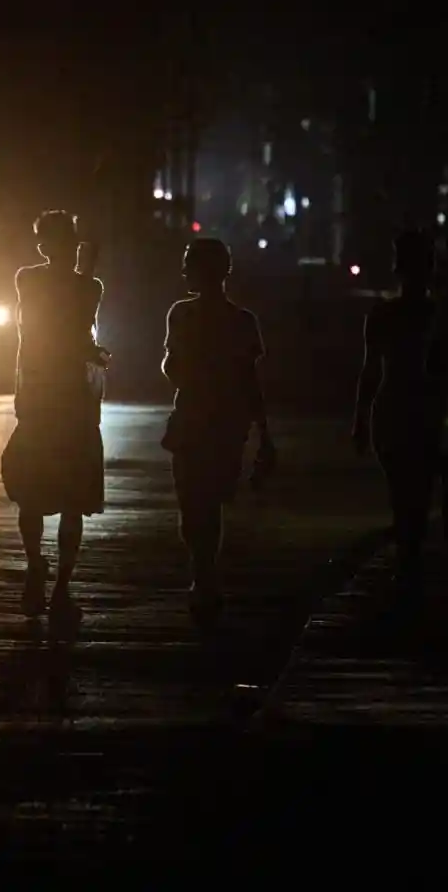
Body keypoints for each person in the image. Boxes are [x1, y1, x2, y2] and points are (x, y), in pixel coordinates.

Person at [1, 210, 106, 623]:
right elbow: (74, 327)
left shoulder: (30, 279)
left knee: (36, 492)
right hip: (66, 400)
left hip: (44, 397)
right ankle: (58, 584)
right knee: (69, 498)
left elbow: (52, 328)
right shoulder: (86, 286)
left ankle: (39, 571)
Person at [161, 237, 273, 619]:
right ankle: (206, 575)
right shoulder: (242, 321)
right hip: (227, 422)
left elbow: (172, 367)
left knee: (193, 501)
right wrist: (263, 431)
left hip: (193, 417)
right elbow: (250, 379)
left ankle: (203, 573)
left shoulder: (181, 314)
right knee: (210, 502)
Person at [352, 229, 448, 589]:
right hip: (427, 410)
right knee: (420, 491)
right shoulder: (439, 314)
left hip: (395, 408)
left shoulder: (384, 314)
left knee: (403, 492)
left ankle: (409, 563)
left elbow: (371, 370)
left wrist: (361, 419)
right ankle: (412, 561)